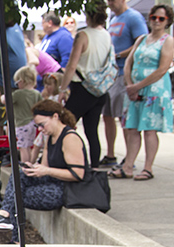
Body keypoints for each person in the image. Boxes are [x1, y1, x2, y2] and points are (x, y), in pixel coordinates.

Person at [0, 100, 86, 241]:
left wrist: (46, 171)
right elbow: (46, 167)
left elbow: (78, 174)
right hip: (53, 183)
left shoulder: (70, 138)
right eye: (37, 126)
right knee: (19, 176)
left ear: (55, 117)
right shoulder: (50, 137)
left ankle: (13, 234)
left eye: (42, 124)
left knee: (17, 196)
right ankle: (5, 219)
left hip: (68, 190)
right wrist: (34, 169)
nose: (40, 129)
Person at [110, 4, 174, 181]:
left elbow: (162, 69)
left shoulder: (168, 41)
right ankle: (128, 166)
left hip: (154, 90)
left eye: (161, 19)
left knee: (149, 129)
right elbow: (129, 62)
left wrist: (137, 86)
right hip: (133, 91)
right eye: (154, 17)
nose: (156, 21)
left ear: (167, 21)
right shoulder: (141, 39)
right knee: (131, 128)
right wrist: (130, 84)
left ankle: (148, 168)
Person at [59, 0, 111, 167]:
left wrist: (62, 89)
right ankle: (93, 167)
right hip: (99, 89)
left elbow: (72, 65)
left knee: (63, 126)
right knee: (91, 131)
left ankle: (67, 164)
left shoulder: (83, 35)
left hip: (82, 88)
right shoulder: (106, 34)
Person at [100, 0, 148, 169]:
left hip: (123, 73)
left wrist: (120, 55)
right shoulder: (113, 20)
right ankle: (111, 155)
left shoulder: (134, 17)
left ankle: (129, 159)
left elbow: (141, 42)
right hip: (110, 75)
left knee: (124, 117)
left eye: (113, 0)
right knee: (108, 115)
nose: (110, 3)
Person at [10, 66, 43, 163]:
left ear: (22, 81)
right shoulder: (37, 93)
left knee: (23, 147)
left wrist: (3, 97)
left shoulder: (18, 94)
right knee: (29, 146)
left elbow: (7, 101)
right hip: (33, 124)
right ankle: (30, 164)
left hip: (21, 124)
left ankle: (25, 166)